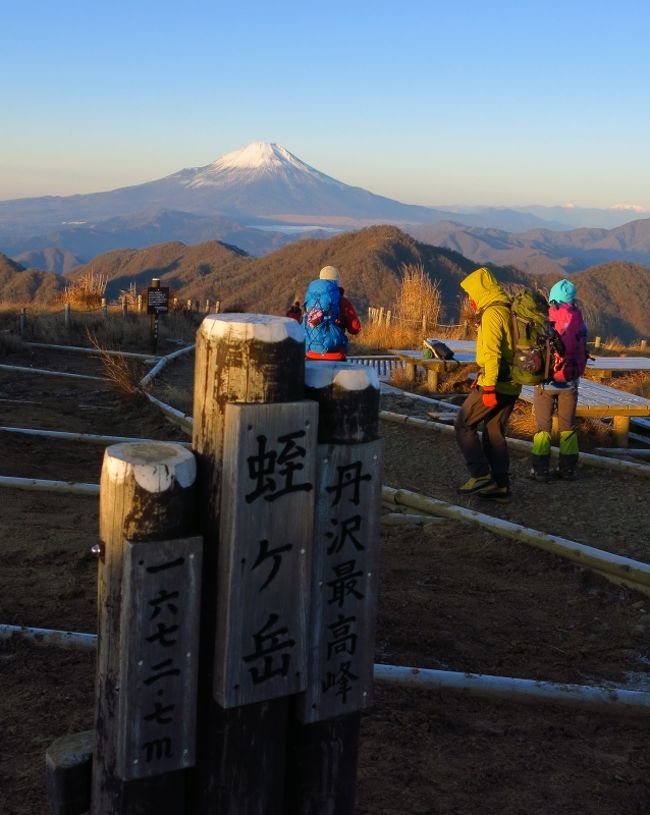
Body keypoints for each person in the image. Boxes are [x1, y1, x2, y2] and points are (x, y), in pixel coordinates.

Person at [454, 266, 521, 503]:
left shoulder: (493, 314)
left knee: (463, 423)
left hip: (495, 383)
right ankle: (500, 485)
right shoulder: (507, 308)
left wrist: (489, 388)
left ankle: (481, 475)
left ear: (480, 291)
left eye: (471, 294)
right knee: (494, 432)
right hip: (512, 383)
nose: (469, 299)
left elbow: (491, 355)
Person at [530, 278, 588, 482]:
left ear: (552, 297)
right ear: (571, 299)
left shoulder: (545, 316)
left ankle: (540, 470)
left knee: (543, 428)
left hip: (545, 383)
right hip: (570, 383)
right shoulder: (578, 318)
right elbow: (583, 347)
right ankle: (568, 470)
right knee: (567, 427)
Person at [303, 265, 361, 360]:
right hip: (335, 354)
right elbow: (355, 329)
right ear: (337, 282)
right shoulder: (342, 302)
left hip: (311, 353)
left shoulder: (311, 301)